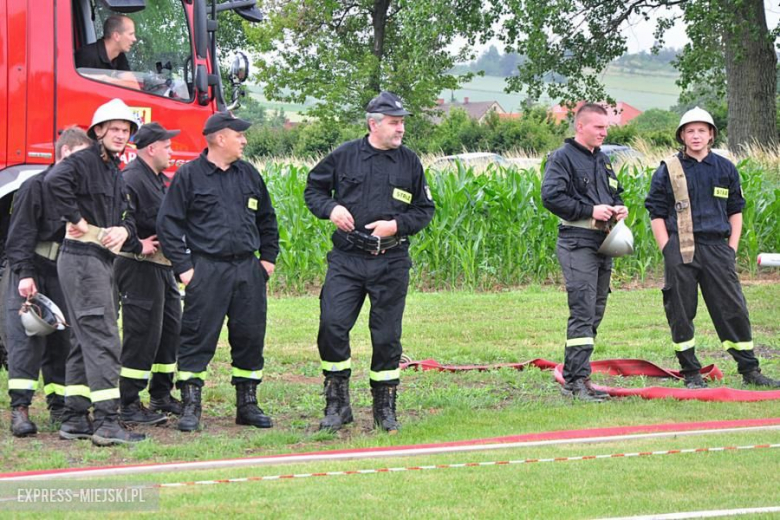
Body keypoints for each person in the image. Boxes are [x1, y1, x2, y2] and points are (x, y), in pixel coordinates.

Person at [304, 91, 435, 433]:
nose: (401, 128)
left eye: (403, 122)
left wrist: (396, 225)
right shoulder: (344, 156)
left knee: (387, 336)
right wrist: (332, 209)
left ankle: (384, 407)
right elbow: (313, 191)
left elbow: (425, 210)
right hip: (347, 260)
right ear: (373, 124)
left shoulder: (409, 162)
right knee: (332, 326)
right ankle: (337, 403)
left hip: (390, 261)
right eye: (394, 122)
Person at [156, 112, 279, 433]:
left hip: (248, 270)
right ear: (220, 138)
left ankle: (247, 404)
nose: (244, 140)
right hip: (206, 270)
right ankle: (191, 406)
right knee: (197, 336)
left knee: (250, 336)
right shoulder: (189, 177)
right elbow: (168, 225)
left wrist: (267, 260)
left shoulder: (249, 174)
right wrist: (185, 269)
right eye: (239, 135)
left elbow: (267, 219)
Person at [644, 107, 780, 389]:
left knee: (733, 309)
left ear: (711, 135)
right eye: (690, 131)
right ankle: (691, 373)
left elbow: (735, 210)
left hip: (718, 248)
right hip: (680, 248)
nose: (696, 136)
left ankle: (750, 370)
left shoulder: (725, 168)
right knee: (681, 311)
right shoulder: (668, 169)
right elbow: (656, 212)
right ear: (682, 135)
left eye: (701, 131)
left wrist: (731, 249)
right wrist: (666, 248)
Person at [44, 98, 145, 446]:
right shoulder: (84, 161)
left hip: (97, 259)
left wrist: (126, 232)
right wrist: (75, 219)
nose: (120, 135)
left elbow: (127, 215)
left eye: (125, 130)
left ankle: (74, 417)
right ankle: (107, 422)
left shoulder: (114, 170)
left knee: (82, 340)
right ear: (98, 131)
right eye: (114, 129)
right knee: (103, 337)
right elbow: (54, 181)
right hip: (82, 260)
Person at [5, 127, 92, 437]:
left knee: (62, 342)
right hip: (34, 271)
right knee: (26, 341)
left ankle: (59, 405)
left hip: (64, 271)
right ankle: (20, 411)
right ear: (65, 153)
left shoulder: (78, 192)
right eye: (80, 158)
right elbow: (20, 235)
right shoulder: (35, 187)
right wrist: (25, 274)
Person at [541, 103, 628, 403]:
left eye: (606, 128)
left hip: (604, 242)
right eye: (599, 127)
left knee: (595, 311)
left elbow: (615, 191)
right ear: (580, 127)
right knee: (582, 309)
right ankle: (575, 382)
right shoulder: (562, 158)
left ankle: (582, 377)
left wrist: (618, 206)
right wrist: (590, 210)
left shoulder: (603, 160)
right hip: (577, 241)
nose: (604, 132)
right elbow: (551, 197)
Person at [115, 122, 183, 425]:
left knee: (169, 332)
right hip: (139, 267)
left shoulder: (156, 179)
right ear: (152, 148)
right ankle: (128, 403)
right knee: (142, 335)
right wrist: (135, 243)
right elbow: (118, 220)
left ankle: (161, 395)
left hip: (163, 267)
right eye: (167, 146)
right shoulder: (131, 179)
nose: (171, 151)